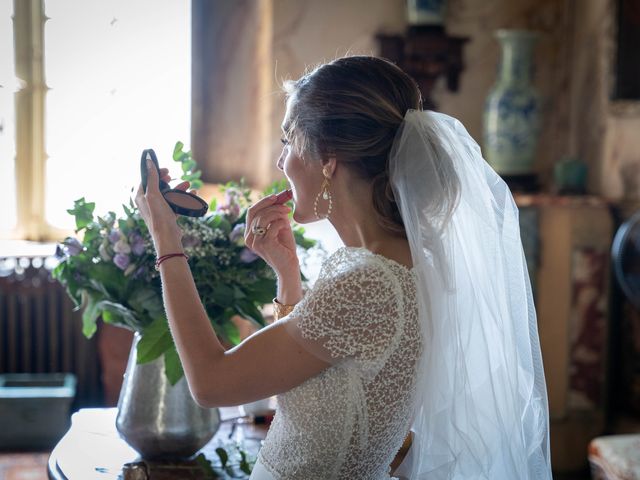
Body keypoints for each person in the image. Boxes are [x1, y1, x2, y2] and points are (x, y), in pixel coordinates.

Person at [135, 55, 552, 479]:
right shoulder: (400, 268)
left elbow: (211, 383)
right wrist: (288, 274)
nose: (282, 163)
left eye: (288, 141)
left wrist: (166, 239)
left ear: (328, 157)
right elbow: (315, 378)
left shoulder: (367, 283)